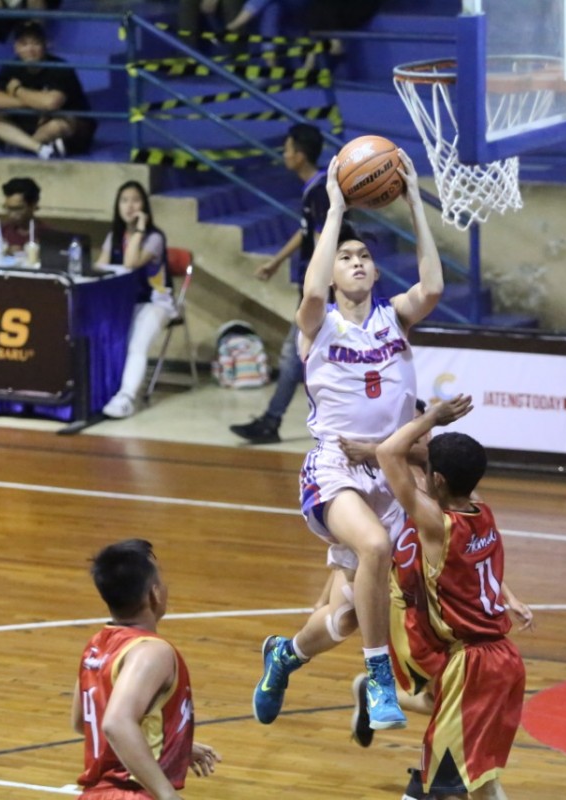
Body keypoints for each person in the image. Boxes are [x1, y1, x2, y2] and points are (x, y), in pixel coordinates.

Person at [251, 148, 443, 732]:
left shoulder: (394, 317)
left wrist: (414, 203)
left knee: (345, 618)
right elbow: (311, 293)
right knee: (375, 549)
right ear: (331, 272)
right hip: (335, 469)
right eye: (345, 257)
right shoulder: (319, 325)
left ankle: (284, 656)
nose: (357, 262)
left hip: (391, 475)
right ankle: (380, 679)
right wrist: (334, 209)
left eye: (364, 257)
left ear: (376, 273)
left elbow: (432, 286)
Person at [374, 394, 527, 800]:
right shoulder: (484, 512)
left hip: (472, 664)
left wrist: (432, 417)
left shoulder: (437, 525)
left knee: (445, 786)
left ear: (437, 479)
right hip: (504, 660)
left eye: (428, 470)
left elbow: (387, 453)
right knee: (479, 781)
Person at [72, 538, 221, 799]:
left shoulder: (96, 646)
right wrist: (167, 795)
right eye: (161, 580)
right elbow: (116, 723)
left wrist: (167, 747)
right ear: (154, 594)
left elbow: (82, 721)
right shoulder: (152, 652)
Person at [229, 122, 329, 445]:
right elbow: (305, 231)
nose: (283, 155)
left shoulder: (320, 190)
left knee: (293, 355)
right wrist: (276, 262)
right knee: (301, 356)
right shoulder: (313, 188)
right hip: (313, 291)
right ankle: (273, 421)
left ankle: (272, 422)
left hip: (319, 293)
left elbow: (323, 240)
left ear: (300, 155)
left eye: (287, 150)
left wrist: (318, 288)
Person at [97, 181, 175, 420]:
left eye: (135, 200)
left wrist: (139, 230)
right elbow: (100, 267)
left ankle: (126, 398)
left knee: (137, 344)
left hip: (156, 302)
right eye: (124, 200)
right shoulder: (114, 236)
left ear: (144, 206)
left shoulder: (154, 237)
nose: (129, 206)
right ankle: (102, 389)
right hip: (124, 303)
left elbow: (130, 263)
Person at [0, 20, 95, 160]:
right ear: (16, 48)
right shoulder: (12, 66)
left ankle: (14, 142)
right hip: (33, 121)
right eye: (24, 44)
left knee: (57, 126)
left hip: (66, 124)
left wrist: (17, 90)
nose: (30, 50)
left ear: (45, 45)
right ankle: (37, 147)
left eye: (35, 43)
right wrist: (35, 103)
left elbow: (51, 103)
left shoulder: (60, 67)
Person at [0, 176, 49, 255]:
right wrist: (5, 252)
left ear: (33, 206)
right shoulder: (1, 231)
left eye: (17, 209)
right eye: (8, 208)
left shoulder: (47, 234)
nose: (12, 215)